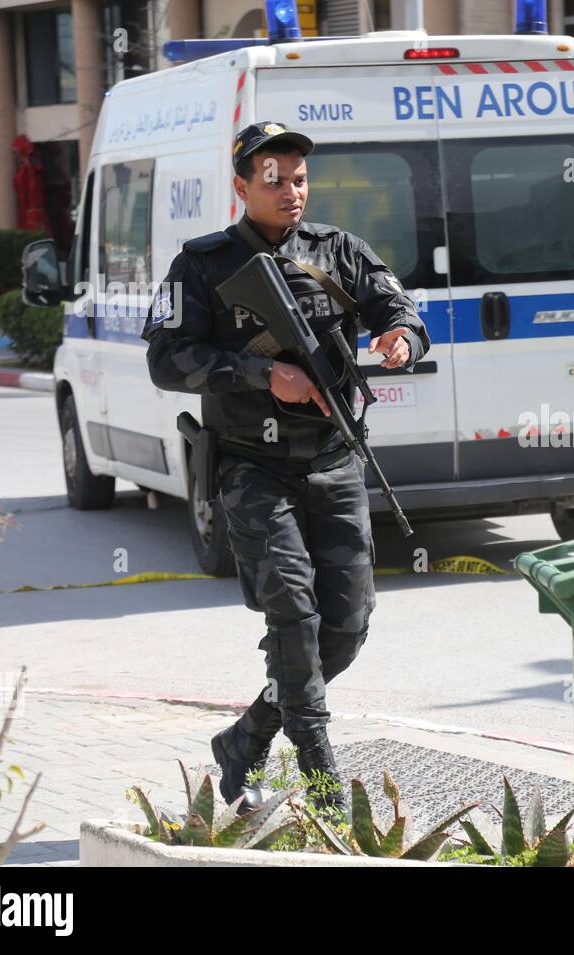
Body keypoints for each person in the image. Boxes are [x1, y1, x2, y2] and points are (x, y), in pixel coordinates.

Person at [142, 121, 430, 819]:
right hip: (251, 468)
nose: (289, 190)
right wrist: (258, 373)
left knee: (348, 626)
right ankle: (323, 782)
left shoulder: (339, 251)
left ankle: (247, 735)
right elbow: (165, 359)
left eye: (298, 178)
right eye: (273, 178)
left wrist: (400, 336)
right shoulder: (203, 264)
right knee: (294, 616)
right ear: (242, 186)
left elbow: (401, 310)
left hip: (333, 462)